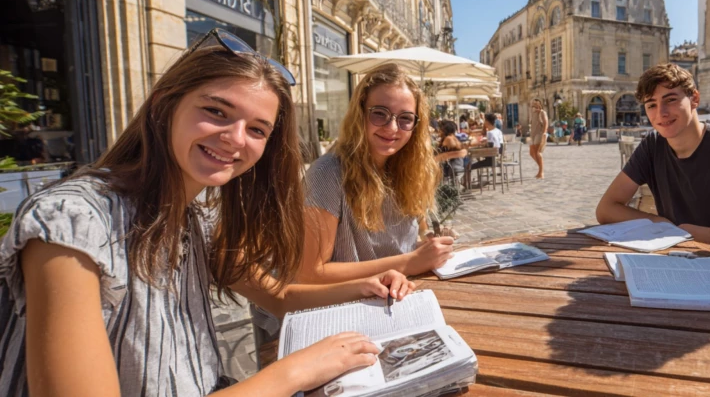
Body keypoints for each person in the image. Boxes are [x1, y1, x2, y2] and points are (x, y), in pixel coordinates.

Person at [0, 30, 416, 396]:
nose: (235, 139)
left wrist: (367, 284)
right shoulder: (72, 222)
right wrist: (293, 372)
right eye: (216, 111)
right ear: (165, 105)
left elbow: (281, 296)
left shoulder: (197, 220)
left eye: (257, 129)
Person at [595, 63, 710, 284]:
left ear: (695, 99)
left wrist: (688, 233)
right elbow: (606, 209)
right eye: (651, 104)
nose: (661, 113)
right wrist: (660, 223)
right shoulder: (652, 145)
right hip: (678, 263)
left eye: (670, 99)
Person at [297, 64, 454, 289]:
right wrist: (409, 262)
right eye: (379, 114)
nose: (392, 128)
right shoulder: (328, 173)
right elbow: (310, 273)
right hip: (345, 311)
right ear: (360, 113)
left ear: (416, 126)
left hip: (397, 296)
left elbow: (419, 230)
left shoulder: (411, 171)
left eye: (405, 119)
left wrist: (428, 242)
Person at [463, 113, 504, 189]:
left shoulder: (490, 133)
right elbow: (497, 146)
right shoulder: (498, 131)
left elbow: (494, 146)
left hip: (490, 159)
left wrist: (482, 146)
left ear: (487, 122)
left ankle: (467, 184)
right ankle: (468, 183)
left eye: (485, 121)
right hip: (496, 158)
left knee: (468, 166)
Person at [528, 98, 549, 179]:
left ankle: (541, 172)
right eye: (533, 104)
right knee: (531, 153)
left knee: (538, 152)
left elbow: (545, 122)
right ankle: (541, 168)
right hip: (532, 134)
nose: (535, 105)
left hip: (539, 134)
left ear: (540, 105)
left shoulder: (542, 112)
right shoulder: (532, 113)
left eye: (536, 103)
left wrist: (544, 133)